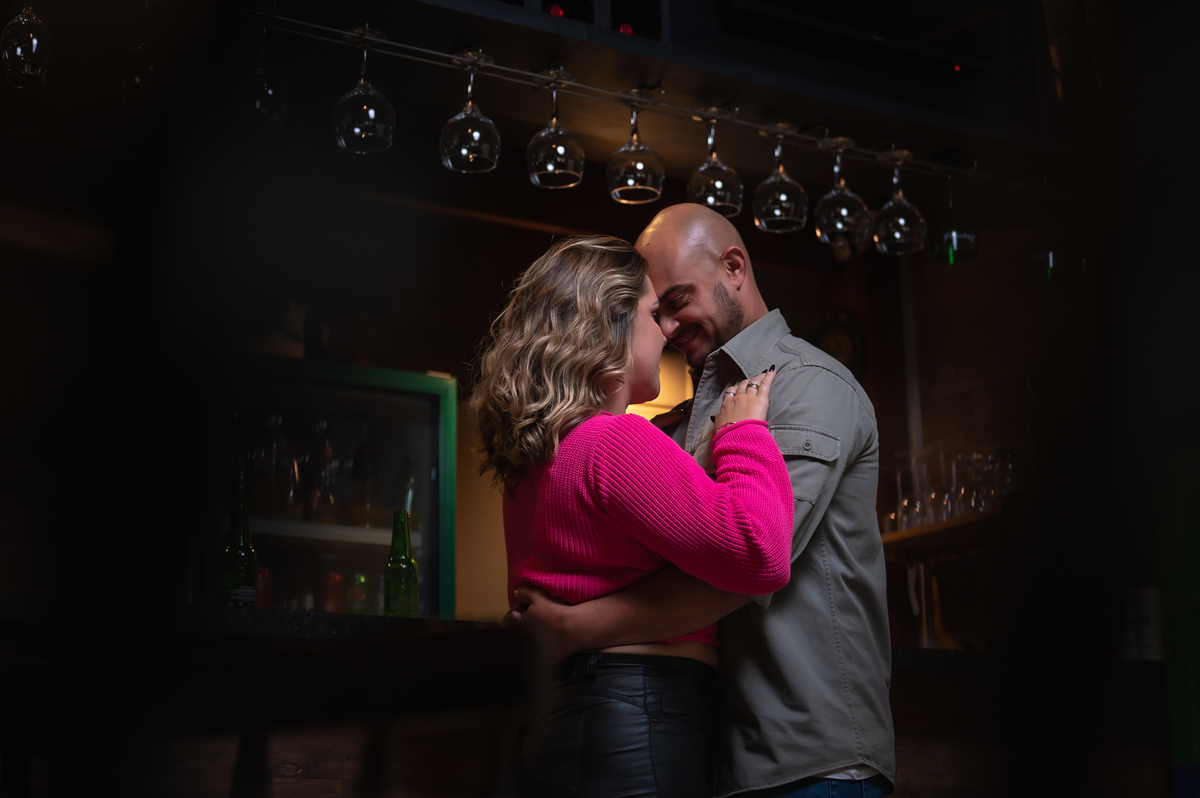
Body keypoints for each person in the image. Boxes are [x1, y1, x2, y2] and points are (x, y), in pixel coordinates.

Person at [512, 205, 896, 797]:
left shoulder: (806, 385)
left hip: (806, 758)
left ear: (734, 267)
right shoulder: (663, 424)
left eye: (676, 301)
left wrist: (573, 626)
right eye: (654, 312)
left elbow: (748, 566)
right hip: (717, 753)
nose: (667, 327)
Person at [472, 235, 797, 798]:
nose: (667, 330)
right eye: (652, 313)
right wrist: (743, 431)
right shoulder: (615, 441)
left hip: (566, 713)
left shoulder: (537, 460)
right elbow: (760, 553)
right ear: (610, 326)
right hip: (634, 714)